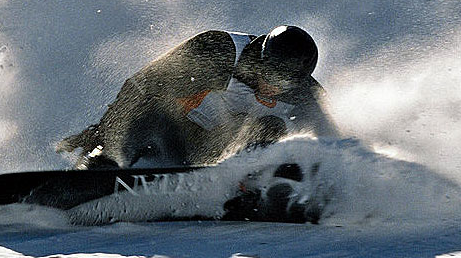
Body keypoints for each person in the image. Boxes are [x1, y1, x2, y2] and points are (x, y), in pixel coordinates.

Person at [57, 25, 338, 170]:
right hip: (174, 134)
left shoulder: (306, 94)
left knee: (272, 128)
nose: (275, 87)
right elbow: (141, 86)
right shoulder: (219, 52)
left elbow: (332, 143)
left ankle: (245, 186)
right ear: (261, 59)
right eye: (273, 76)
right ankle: (102, 168)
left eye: (287, 82)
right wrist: (103, 131)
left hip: (220, 153)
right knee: (154, 107)